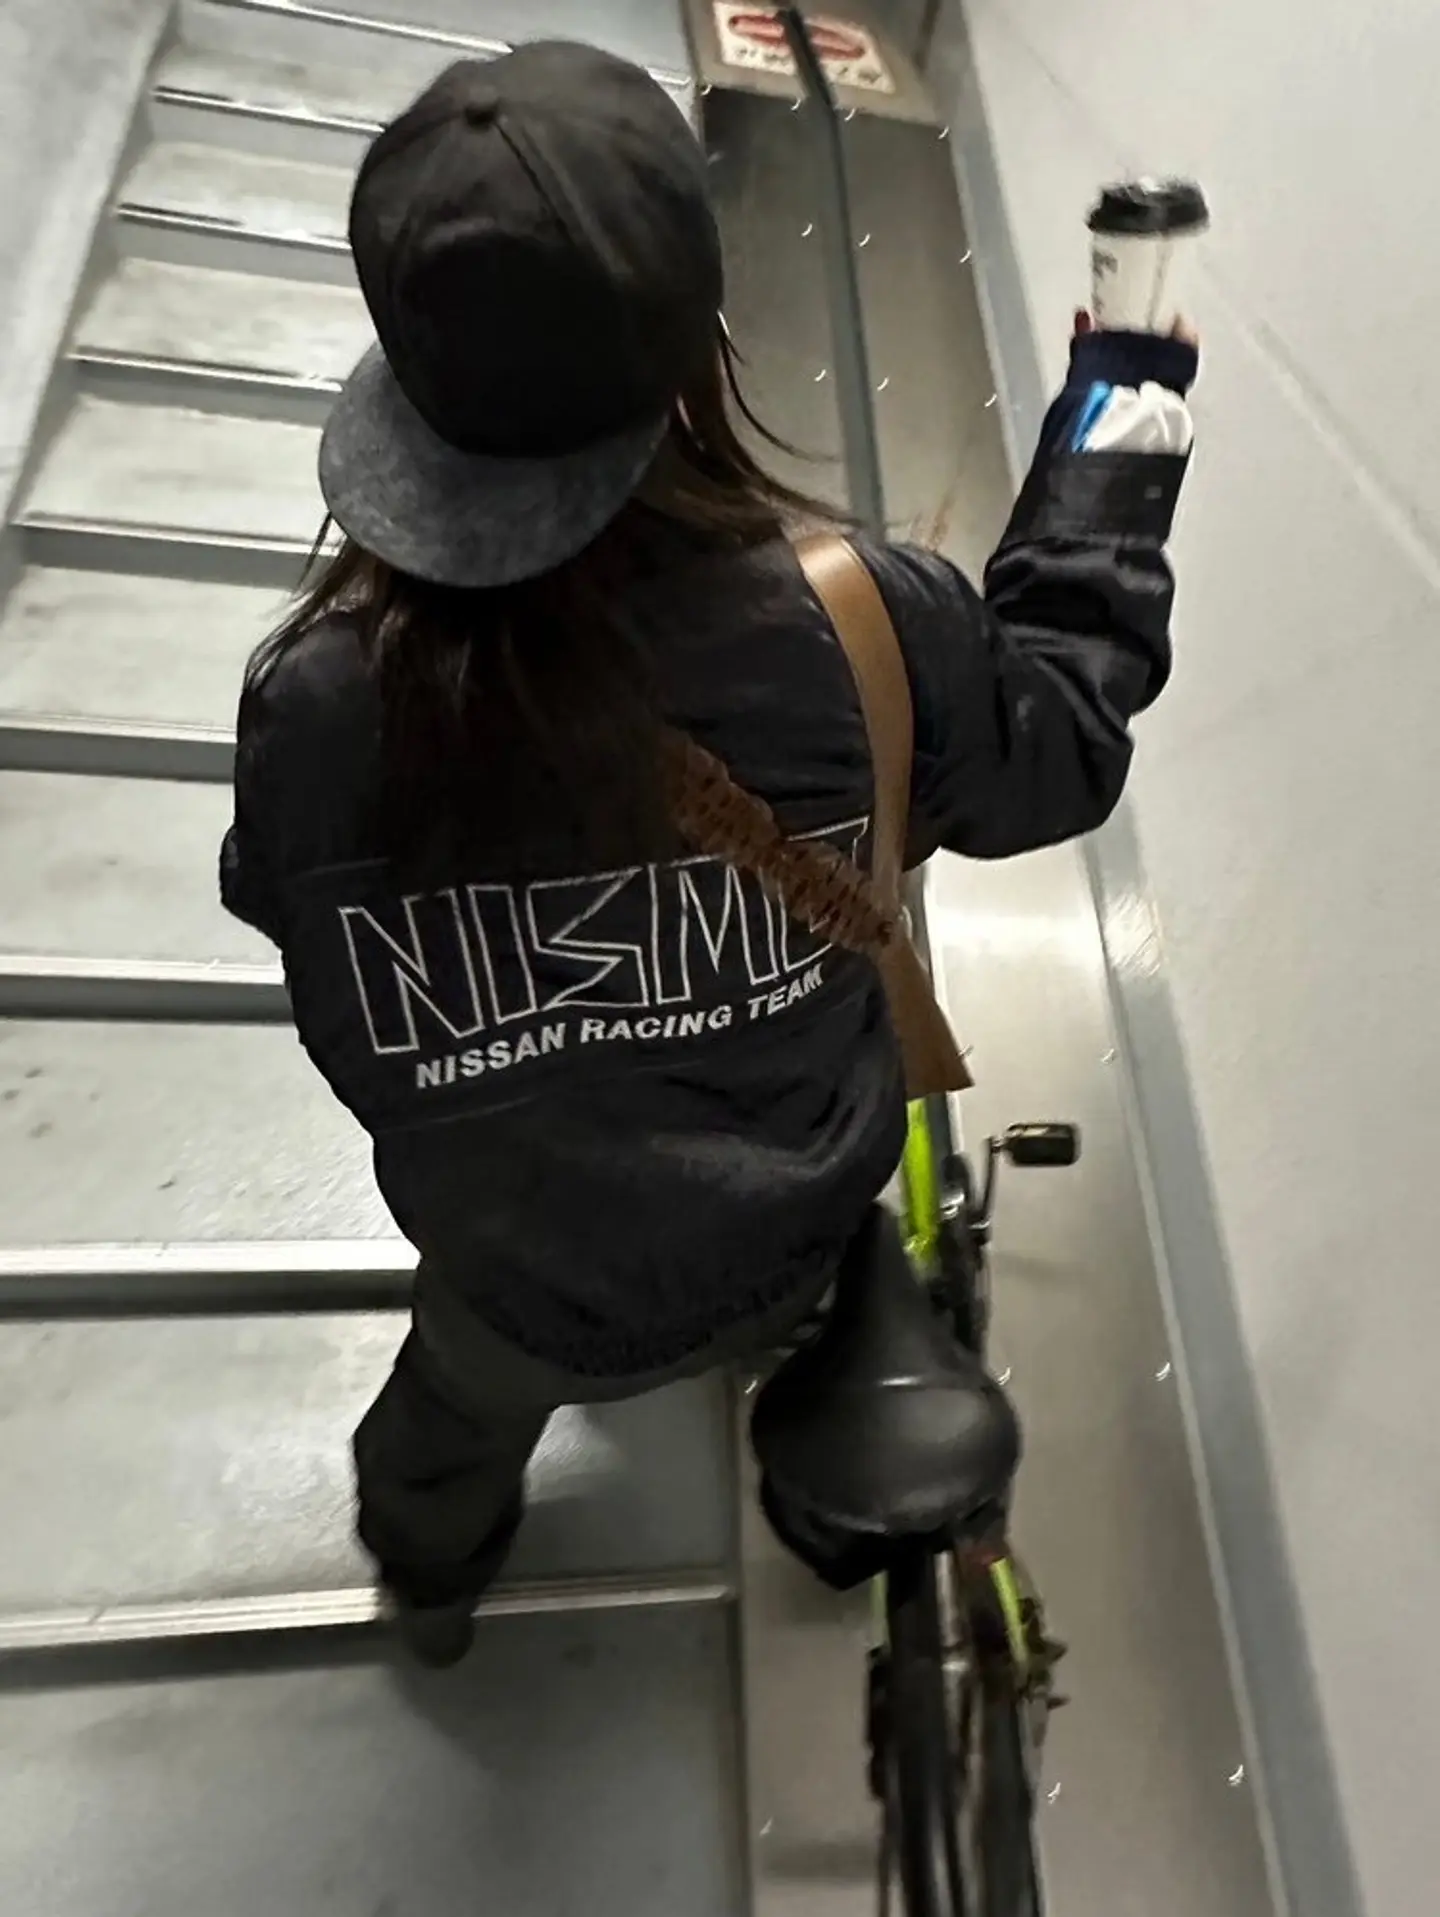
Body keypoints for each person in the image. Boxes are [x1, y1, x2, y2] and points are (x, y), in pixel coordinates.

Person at [220, 40, 1199, 1666]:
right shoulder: (865, 628)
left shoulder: (312, 709)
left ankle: (433, 1595)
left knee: (439, 1443)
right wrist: (1123, 419)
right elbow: (1060, 750)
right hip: (790, 1235)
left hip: (513, 1279)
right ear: (694, 351)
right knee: (801, 1320)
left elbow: (288, 920)